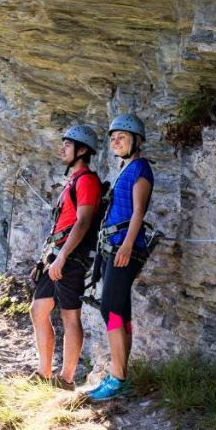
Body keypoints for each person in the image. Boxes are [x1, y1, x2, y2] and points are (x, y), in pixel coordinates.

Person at [29, 124, 102, 391]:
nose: (62, 149)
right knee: (38, 310)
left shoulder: (87, 181)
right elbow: (62, 223)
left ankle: (67, 379)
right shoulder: (72, 182)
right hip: (57, 255)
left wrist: (61, 259)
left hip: (70, 257)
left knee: (70, 316)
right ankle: (44, 373)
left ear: (82, 150)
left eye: (68, 145)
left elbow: (82, 223)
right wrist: (44, 259)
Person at [87, 114, 154, 401]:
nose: (116, 141)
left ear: (136, 141)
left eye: (122, 137)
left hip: (124, 248)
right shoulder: (126, 169)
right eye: (113, 137)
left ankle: (117, 376)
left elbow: (139, 212)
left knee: (110, 308)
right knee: (120, 311)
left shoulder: (140, 168)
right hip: (112, 248)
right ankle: (120, 374)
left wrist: (127, 245)